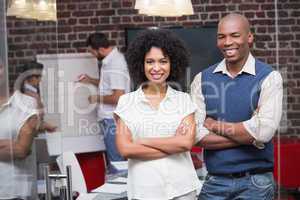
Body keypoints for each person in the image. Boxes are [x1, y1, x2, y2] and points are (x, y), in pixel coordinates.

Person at [191, 13, 283, 200]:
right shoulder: (201, 79)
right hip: (215, 182)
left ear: (249, 37)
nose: (227, 42)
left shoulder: (269, 77)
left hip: (257, 183)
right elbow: (195, 135)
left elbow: (264, 132)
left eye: (234, 35)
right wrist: (251, 136)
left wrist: (214, 125)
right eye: (221, 36)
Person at [114, 29, 201, 200]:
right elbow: (125, 149)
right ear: (141, 64)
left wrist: (142, 141)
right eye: (150, 61)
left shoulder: (183, 100)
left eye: (163, 61)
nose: (156, 68)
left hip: (182, 190)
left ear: (172, 64)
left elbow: (185, 143)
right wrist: (172, 144)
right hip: (144, 191)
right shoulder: (126, 102)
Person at [0, 61, 56, 199]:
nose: (39, 80)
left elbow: (21, 150)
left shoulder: (29, 96)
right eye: (38, 77)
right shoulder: (29, 95)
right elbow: (38, 118)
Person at [78, 33, 130, 171]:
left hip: (112, 120)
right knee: (116, 161)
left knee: (117, 163)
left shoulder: (114, 65)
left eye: (91, 51)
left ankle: (119, 192)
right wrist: (91, 80)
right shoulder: (110, 61)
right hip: (111, 120)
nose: (92, 55)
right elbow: (109, 86)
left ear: (100, 49)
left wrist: (95, 98)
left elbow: (118, 96)